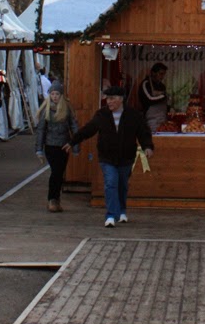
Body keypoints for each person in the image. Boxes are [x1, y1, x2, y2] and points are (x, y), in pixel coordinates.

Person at [66, 84, 154, 227]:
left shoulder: (133, 115)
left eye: (112, 99)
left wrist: (148, 147)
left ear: (120, 100)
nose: (109, 102)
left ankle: (122, 210)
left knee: (122, 185)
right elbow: (88, 129)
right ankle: (111, 215)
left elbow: (143, 132)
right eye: (107, 99)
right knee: (111, 183)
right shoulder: (102, 115)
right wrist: (73, 141)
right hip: (107, 157)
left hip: (126, 157)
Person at [34, 80, 79, 213]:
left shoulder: (67, 109)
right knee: (56, 172)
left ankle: (55, 199)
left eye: (57, 94)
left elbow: (74, 127)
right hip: (50, 145)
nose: (54, 96)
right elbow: (41, 130)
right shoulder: (46, 110)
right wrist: (39, 149)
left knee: (60, 173)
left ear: (61, 95)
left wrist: (75, 146)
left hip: (64, 145)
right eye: (52, 94)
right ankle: (52, 199)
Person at [137, 63, 169, 127]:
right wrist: (164, 96)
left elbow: (163, 102)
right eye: (161, 74)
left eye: (164, 74)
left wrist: (170, 108)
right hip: (151, 120)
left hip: (163, 118)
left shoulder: (162, 86)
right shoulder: (146, 84)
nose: (162, 77)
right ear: (153, 73)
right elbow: (149, 99)